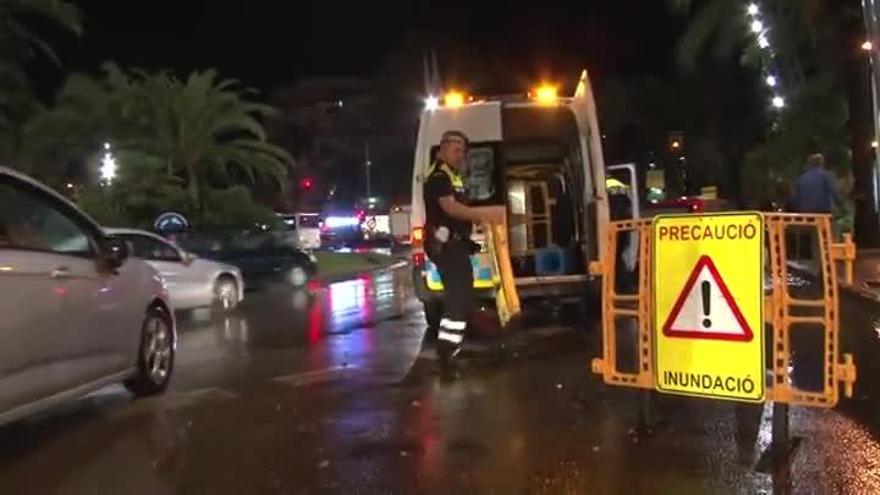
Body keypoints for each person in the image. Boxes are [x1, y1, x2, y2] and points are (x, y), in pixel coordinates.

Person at [423, 130, 505, 368]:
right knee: (459, 300)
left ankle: (449, 349)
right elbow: (451, 209)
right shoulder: (439, 176)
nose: (461, 155)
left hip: (455, 245)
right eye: (456, 150)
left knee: (462, 299)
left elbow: (457, 215)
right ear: (443, 149)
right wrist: (486, 213)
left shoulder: (453, 176)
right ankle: (446, 353)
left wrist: (469, 235)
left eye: (463, 151)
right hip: (445, 246)